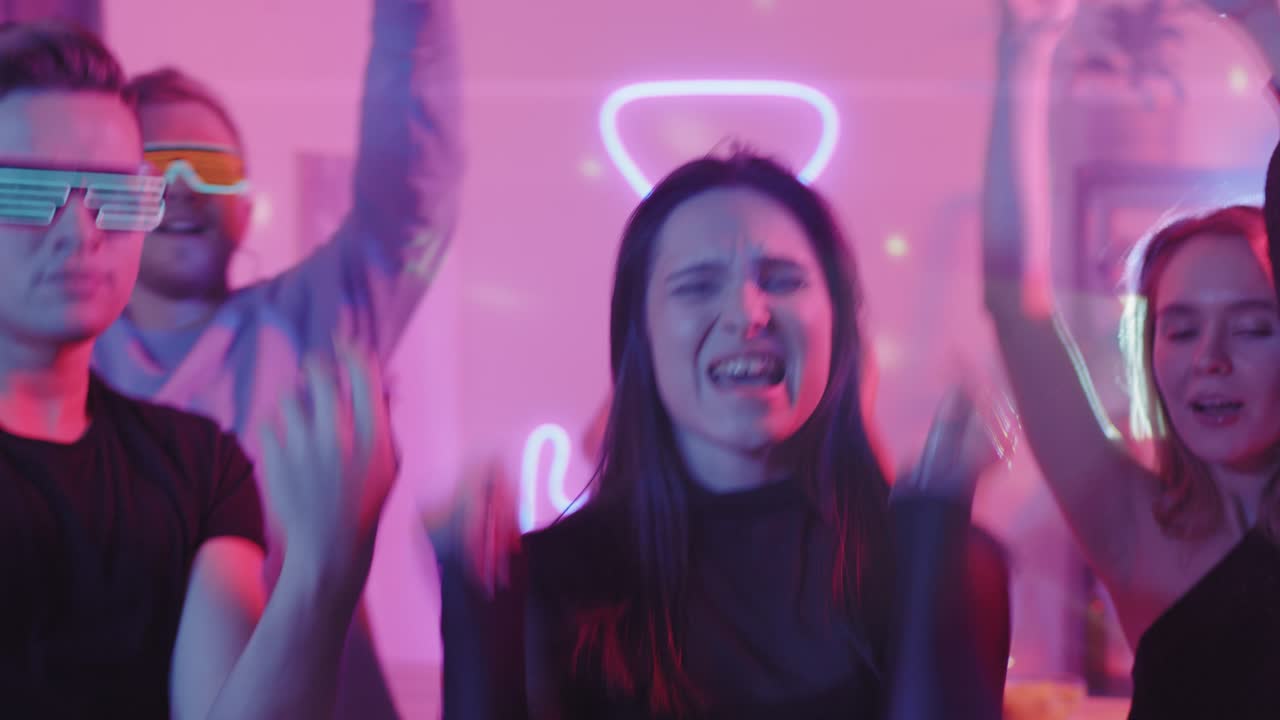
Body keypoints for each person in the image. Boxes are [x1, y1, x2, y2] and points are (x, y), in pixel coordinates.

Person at [520, 151, 1012, 719]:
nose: (747, 313)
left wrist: (936, 533)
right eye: (697, 286)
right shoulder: (549, 578)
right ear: (641, 335)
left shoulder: (943, 561)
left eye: (781, 280)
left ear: (840, 326)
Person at [0, 21, 397, 719]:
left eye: (117, 194)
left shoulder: (201, 467)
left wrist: (322, 568)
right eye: (31, 192)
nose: (81, 231)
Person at [88, 0, 463, 713]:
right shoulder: (60, 364)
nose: (184, 187)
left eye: (211, 167)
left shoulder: (317, 320)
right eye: (155, 167)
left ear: (244, 201)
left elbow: (411, 195)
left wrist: (409, 18)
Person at [984, 0, 1280, 716]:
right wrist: (1026, 52)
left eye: (1251, 329)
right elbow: (1015, 304)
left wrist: (1263, 29)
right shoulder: (1131, 524)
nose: (1209, 359)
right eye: (1180, 329)